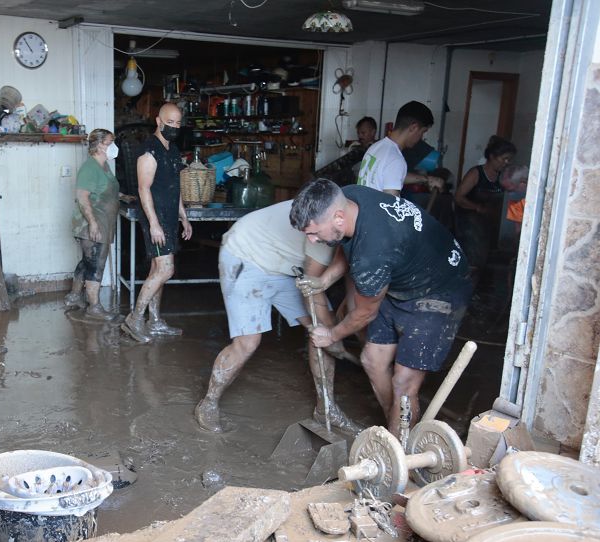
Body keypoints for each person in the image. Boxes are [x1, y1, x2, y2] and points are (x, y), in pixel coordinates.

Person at [291, 179, 472, 434]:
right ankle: (398, 428)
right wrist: (324, 280)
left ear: (339, 218)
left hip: (441, 290)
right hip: (404, 279)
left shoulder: (372, 254)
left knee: (404, 383)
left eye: (313, 232)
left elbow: (365, 313)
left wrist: (330, 335)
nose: (311, 241)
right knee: (372, 359)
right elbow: (346, 243)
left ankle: (399, 455)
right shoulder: (349, 196)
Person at [193, 200, 359, 433]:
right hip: (246, 253)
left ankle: (326, 408)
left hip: (285, 264)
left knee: (321, 330)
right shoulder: (324, 230)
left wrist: (331, 335)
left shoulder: (351, 227)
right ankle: (209, 402)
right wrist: (334, 336)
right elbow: (316, 292)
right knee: (248, 341)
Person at [120, 103, 193, 344]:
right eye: (169, 122)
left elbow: (175, 187)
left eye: (178, 124)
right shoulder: (148, 151)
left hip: (170, 216)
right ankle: (135, 319)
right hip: (156, 218)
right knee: (165, 269)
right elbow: (143, 188)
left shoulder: (172, 149)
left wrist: (183, 216)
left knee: (157, 271)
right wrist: (153, 224)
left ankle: (155, 321)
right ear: (158, 121)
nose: (174, 127)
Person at [65, 129, 120, 321]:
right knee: (96, 264)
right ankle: (94, 307)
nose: (113, 146)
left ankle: (73, 296)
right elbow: (82, 197)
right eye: (110, 142)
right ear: (99, 145)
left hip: (102, 221)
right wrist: (93, 224)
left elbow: (103, 190)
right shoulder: (90, 167)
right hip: (91, 224)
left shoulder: (104, 166)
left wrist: (121, 197)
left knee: (87, 262)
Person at [454, 136, 516, 276]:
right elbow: (458, 197)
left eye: (509, 159)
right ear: (492, 156)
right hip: (469, 225)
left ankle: (477, 291)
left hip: (489, 224)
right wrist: (477, 207)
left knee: (487, 261)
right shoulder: (476, 173)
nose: (506, 162)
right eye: (504, 158)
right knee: (472, 261)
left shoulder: (503, 177)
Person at [357, 101, 443, 196]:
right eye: (423, 132)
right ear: (414, 128)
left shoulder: (376, 147)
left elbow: (391, 175)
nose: (421, 137)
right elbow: (390, 206)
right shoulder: (395, 159)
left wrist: (426, 179)